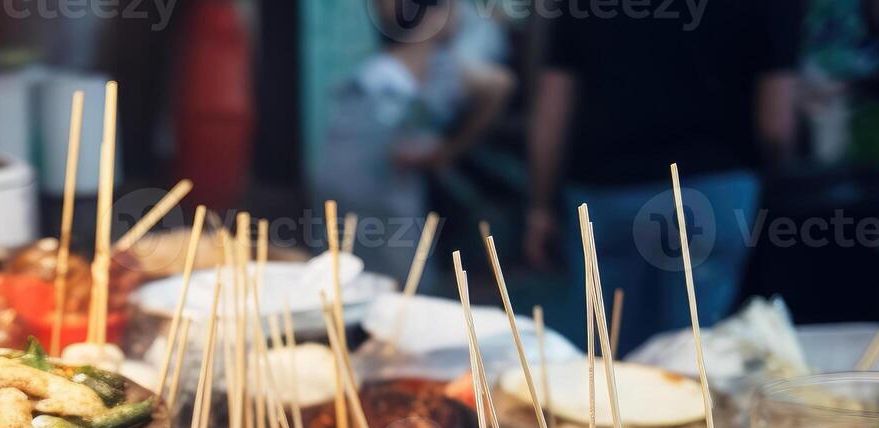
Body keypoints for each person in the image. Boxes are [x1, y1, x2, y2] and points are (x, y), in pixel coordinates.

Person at [525, 0, 802, 353]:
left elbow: (553, 105)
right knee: (695, 359)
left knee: (611, 358)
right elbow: (776, 127)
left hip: (606, 191)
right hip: (716, 191)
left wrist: (540, 206)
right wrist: (770, 177)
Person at [316, 0, 513, 285]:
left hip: (400, 202)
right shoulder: (375, 80)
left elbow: (500, 85)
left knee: (406, 286)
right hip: (368, 202)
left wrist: (448, 150)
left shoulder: (444, 69)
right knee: (354, 281)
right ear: (432, 16)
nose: (460, 15)